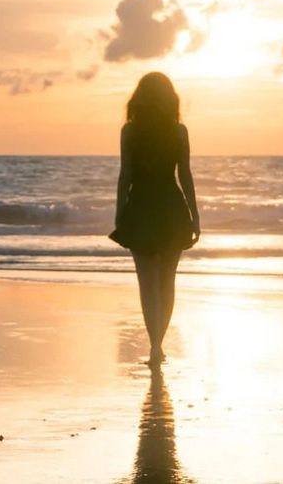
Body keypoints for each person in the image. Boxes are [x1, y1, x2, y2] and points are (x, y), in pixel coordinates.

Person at [109, 72, 200, 367]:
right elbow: (184, 176)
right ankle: (157, 346)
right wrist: (195, 216)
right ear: (169, 98)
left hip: (141, 206)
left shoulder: (130, 132)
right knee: (167, 282)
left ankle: (155, 347)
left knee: (147, 284)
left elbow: (125, 176)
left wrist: (120, 212)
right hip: (172, 207)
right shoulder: (179, 131)